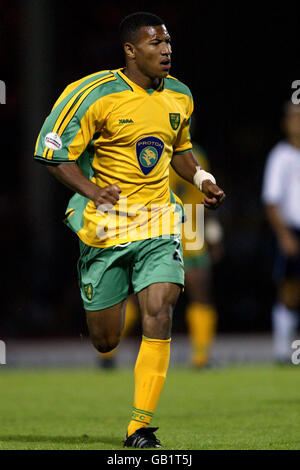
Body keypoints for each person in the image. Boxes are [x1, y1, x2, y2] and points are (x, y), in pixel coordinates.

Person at [34, 12, 225, 448]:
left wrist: (201, 180)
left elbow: (180, 149)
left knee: (161, 306)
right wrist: (92, 190)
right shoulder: (92, 93)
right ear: (130, 50)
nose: (166, 50)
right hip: (105, 228)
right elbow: (51, 153)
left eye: (168, 42)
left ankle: (139, 427)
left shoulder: (179, 94)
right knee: (105, 340)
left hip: (159, 219)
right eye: (155, 43)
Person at [262, 102, 300, 363]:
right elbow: (271, 200)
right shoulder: (281, 156)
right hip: (293, 230)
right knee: (289, 290)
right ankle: (281, 349)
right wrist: (284, 235)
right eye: (293, 118)